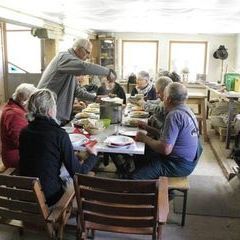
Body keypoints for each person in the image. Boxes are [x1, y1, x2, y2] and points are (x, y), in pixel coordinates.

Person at [19, 89, 98, 206]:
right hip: (49, 198)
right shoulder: (59, 134)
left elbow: (43, 155)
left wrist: (74, 155)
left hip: (27, 194)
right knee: (80, 177)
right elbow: (79, 173)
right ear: (50, 110)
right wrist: (93, 155)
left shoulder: (24, 132)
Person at [131, 82, 202, 179]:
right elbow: (167, 136)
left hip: (177, 164)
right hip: (187, 160)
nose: (162, 99)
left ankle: (157, 190)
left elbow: (165, 149)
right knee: (142, 154)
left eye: (163, 96)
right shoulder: (186, 110)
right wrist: (147, 128)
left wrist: (144, 138)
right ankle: (150, 184)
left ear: (168, 99)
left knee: (135, 177)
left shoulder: (174, 115)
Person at [37, 38, 115, 125]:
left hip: (54, 113)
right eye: (87, 52)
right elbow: (84, 67)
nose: (88, 56)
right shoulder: (64, 57)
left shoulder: (70, 65)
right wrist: (108, 72)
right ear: (79, 49)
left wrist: (95, 98)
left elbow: (76, 91)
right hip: (46, 112)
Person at [0, 83, 36, 168]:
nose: (34, 104)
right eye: (32, 101)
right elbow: (21, 142)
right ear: (24, 100)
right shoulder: (14, 114)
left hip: (17, 154)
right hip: (16, 158)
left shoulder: (13, 107)